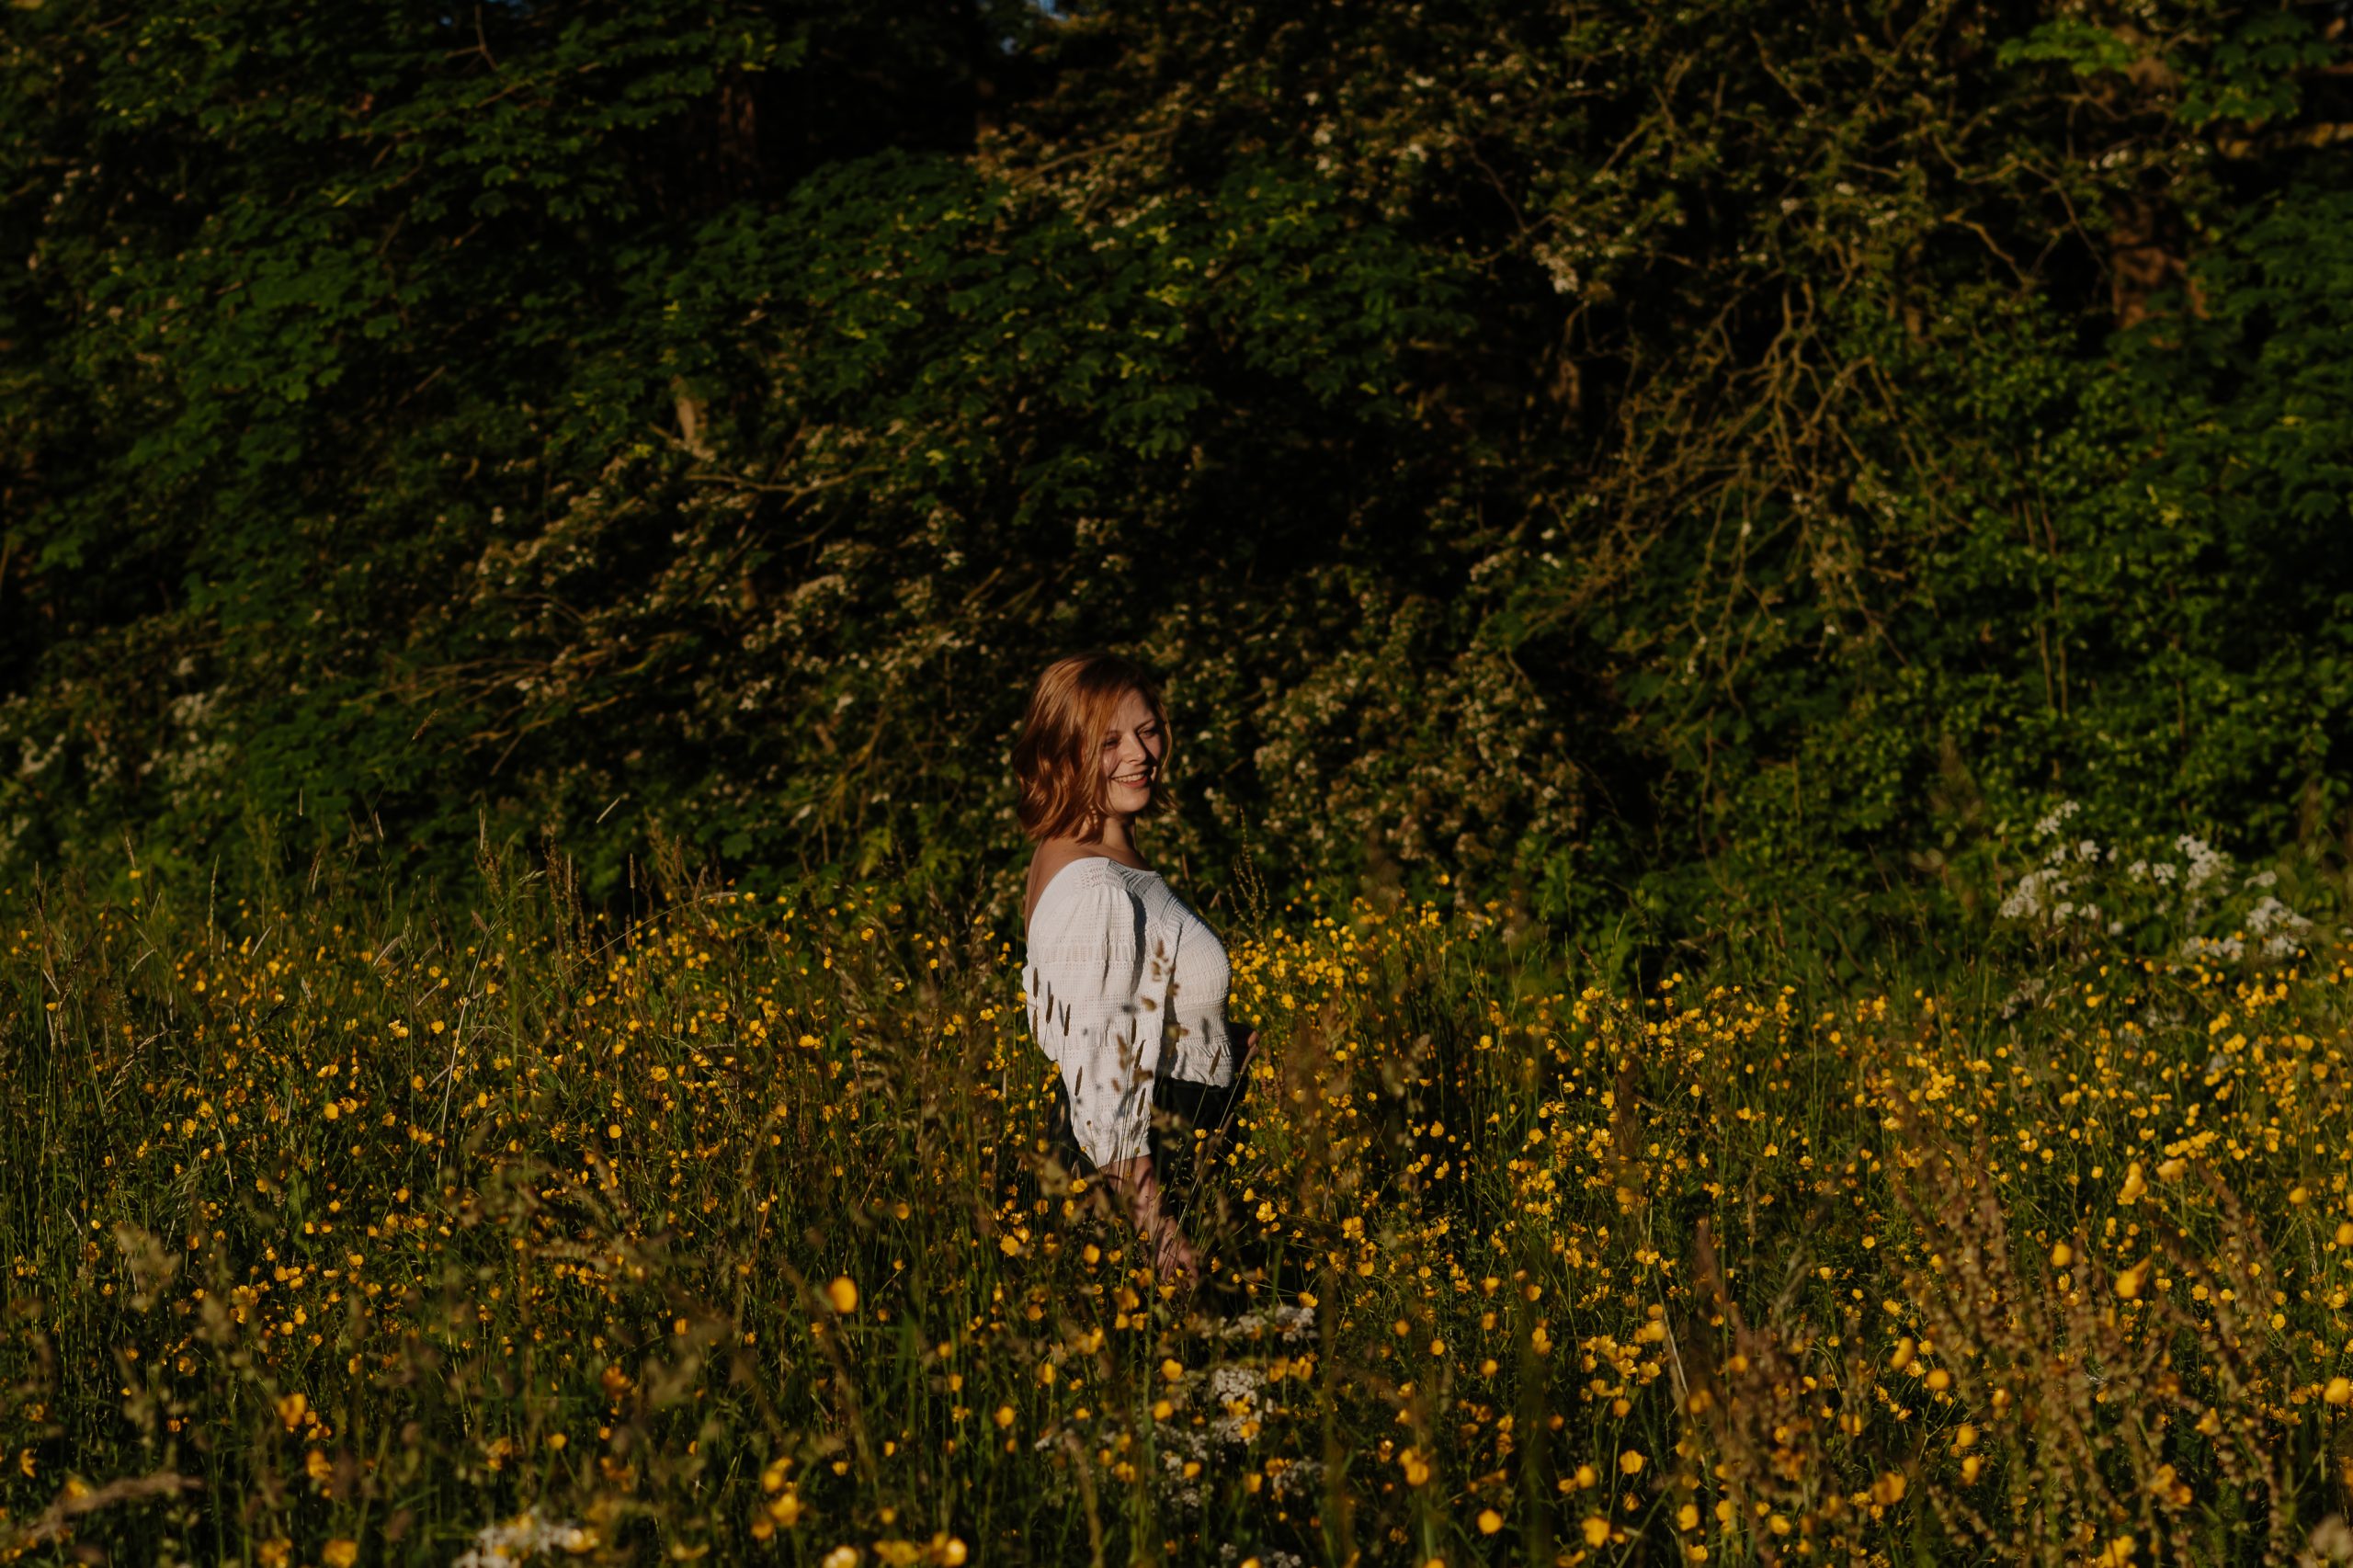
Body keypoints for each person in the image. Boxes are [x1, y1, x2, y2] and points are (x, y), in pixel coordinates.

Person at [1014, 650, 1257, 1290]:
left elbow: (1130, 1013)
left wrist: (1219, 1041)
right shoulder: (1096, 885)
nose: (1140, 755)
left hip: (1167, 1151)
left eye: (1147, 731)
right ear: (1062, 751)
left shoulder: (1091, 850)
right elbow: (1101, 1079)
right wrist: (1160, 1230)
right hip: (1142, 1179)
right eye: (1109, 741)